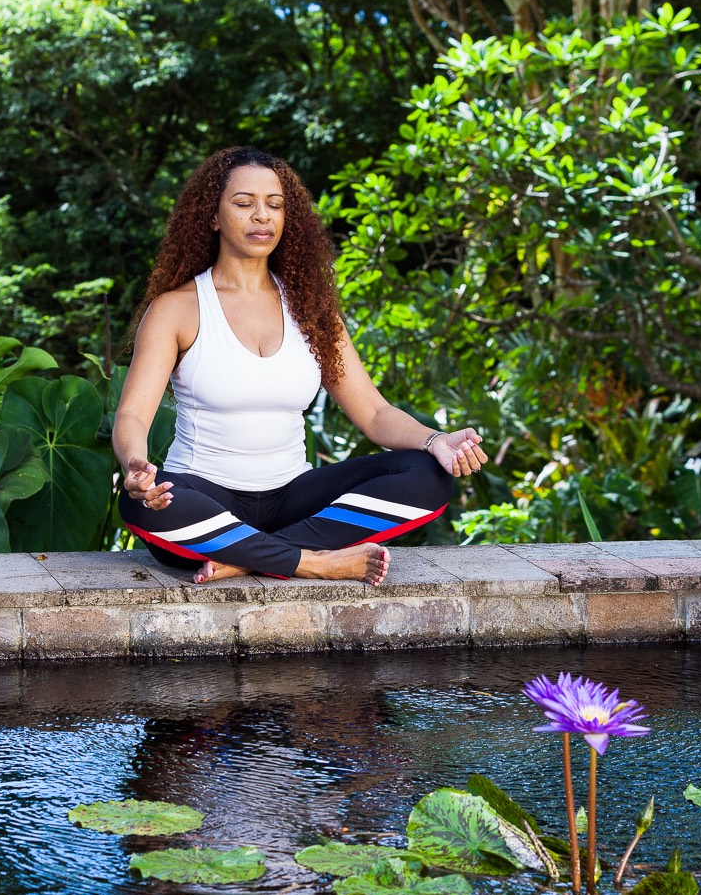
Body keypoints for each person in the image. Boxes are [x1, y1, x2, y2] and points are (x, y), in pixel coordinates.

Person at [112, 145, 488, 586]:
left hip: (294, 497)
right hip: (206, 494)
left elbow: (374, 413)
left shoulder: (310, 309)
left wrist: (436, 440)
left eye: (274, 205)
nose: (262, 216)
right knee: (141, 504)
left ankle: (248, 557)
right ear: (212, 216)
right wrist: (137, 466)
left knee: (428, 475)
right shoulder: (176, 309)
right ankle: (313, 561)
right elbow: (134, 414)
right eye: (243, 203)